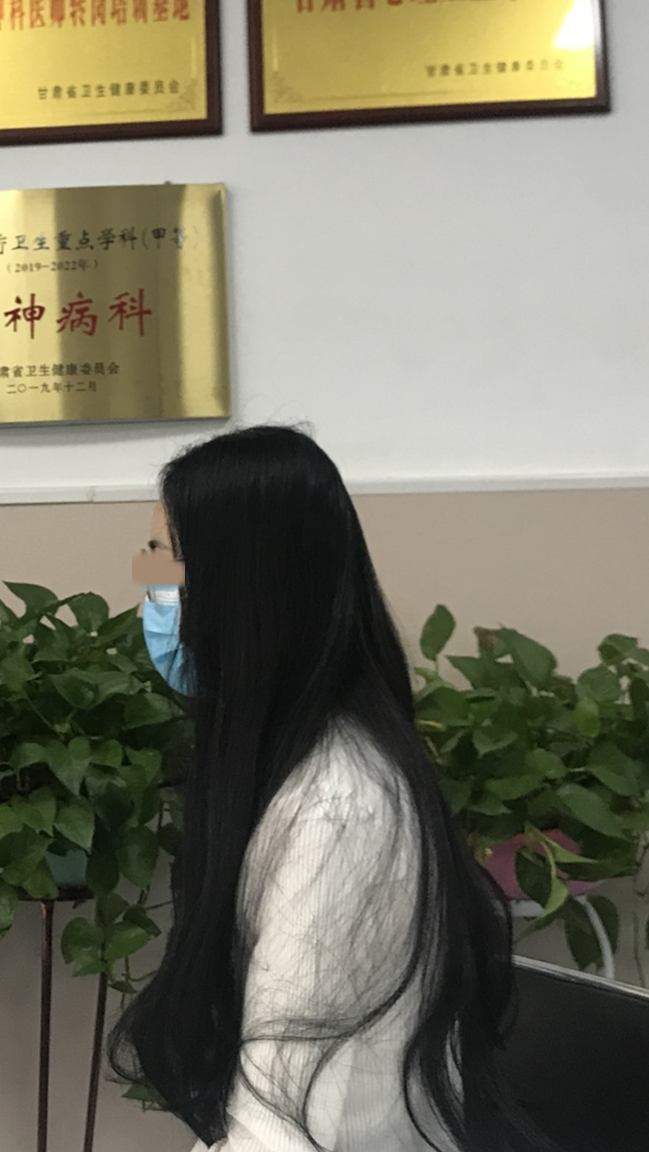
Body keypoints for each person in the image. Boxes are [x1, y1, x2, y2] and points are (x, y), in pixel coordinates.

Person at [113, 427, 527, 1152]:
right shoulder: (294, 769)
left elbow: (281, 1128)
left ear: (244, 590)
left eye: (166, 561)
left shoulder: (341, 808)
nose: (150, 589)